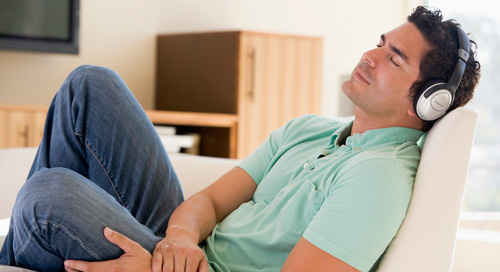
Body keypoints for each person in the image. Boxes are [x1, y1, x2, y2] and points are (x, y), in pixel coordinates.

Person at [0, 5, 480, 272]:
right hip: (182, 256)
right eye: (380, 41)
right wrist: (181, 239)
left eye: (394, 58)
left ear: (429, 102)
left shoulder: (379, 178)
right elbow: (206, 203)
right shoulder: (309, 129)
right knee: (91, 84)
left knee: (49, 194)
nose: (371, 56)